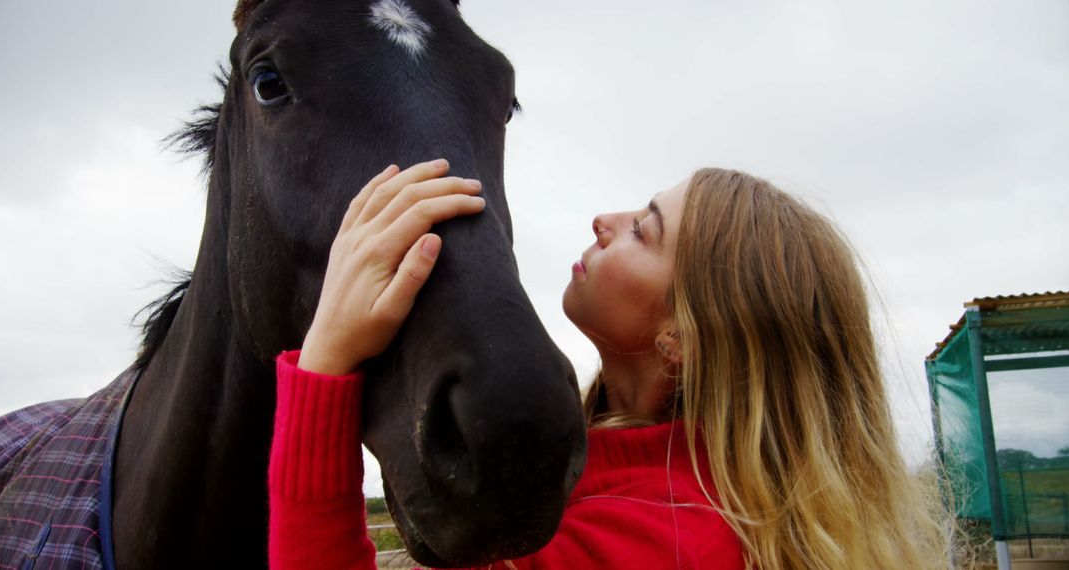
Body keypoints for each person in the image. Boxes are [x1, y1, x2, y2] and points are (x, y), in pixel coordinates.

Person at [268, 160, 946, 569]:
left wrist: (325, 361)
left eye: (644, 231)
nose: (604, 219)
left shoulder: (669, 544)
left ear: (683, 339)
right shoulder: (668, 494)